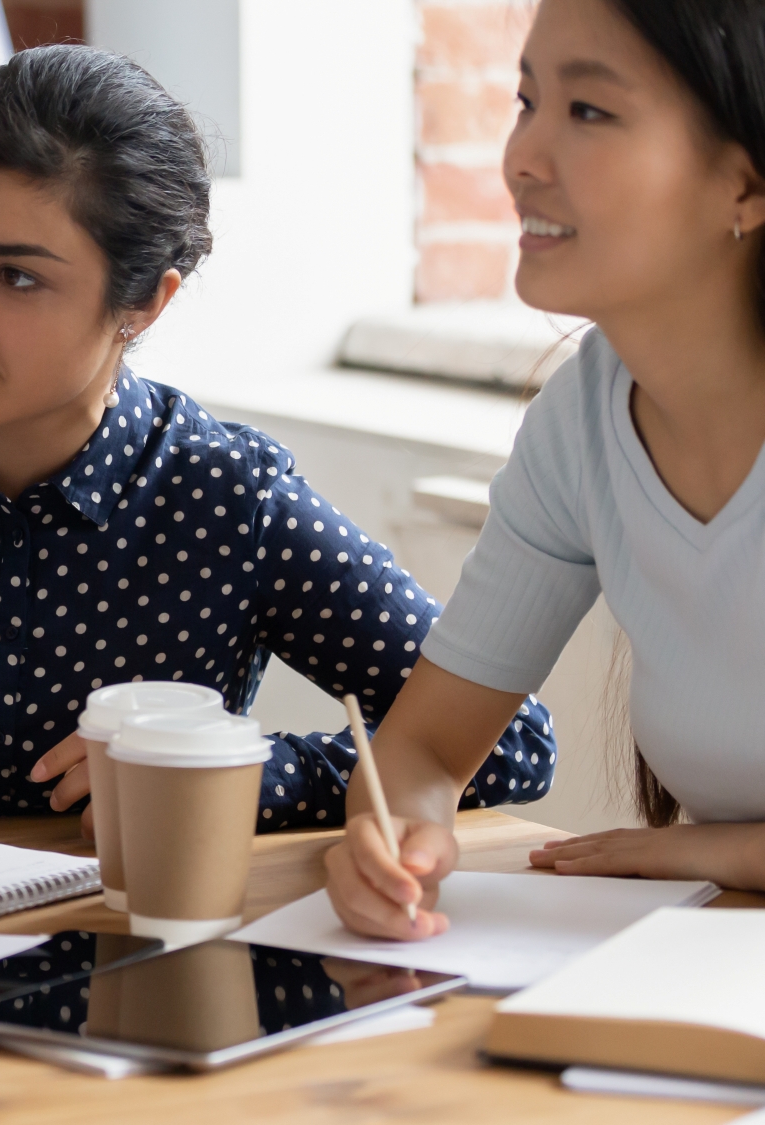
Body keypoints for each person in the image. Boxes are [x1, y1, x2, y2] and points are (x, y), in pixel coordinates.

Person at [0, 44, 557, 850]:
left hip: (131, 972)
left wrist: (240, 772)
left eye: (15, 276)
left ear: (144, 303)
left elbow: (511, 744)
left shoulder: (226, 497)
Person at [326, 0, 765, 940]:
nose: (522, 156)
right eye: (528, 100)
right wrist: (399, 835)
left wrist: (723, 849)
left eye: (590, 112)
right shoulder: (580, 419)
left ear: (747, 183)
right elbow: (426, 748)